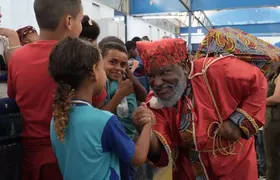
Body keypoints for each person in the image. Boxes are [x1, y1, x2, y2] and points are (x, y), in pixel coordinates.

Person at [134, 38, 267, 180]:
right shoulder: (156, 101)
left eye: (165, 72)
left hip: (234, 164)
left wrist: (238, 122)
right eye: (151, 76)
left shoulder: (219, 69)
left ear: (184, 67)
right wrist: (147, 130)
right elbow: (161, 150)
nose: (157, 83)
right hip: (188, 170)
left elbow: (257, 81)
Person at [49, 37, 153, 180]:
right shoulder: (104, 120)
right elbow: (138, 157)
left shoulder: (57, 118)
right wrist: (148, 123)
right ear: (94, 71)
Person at [7, 0, 85, 179]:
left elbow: (13, 95)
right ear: (68, 21)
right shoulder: (79, 57)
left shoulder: (18, 58)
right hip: (73, 157)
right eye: (80, 20)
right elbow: (97, 104)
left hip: (32, 159)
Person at [264, 67, 280, 180]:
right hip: (274, 118)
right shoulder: (274, 76)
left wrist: (257, 102)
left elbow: (277, 98)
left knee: (272, 157)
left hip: (275, 119)